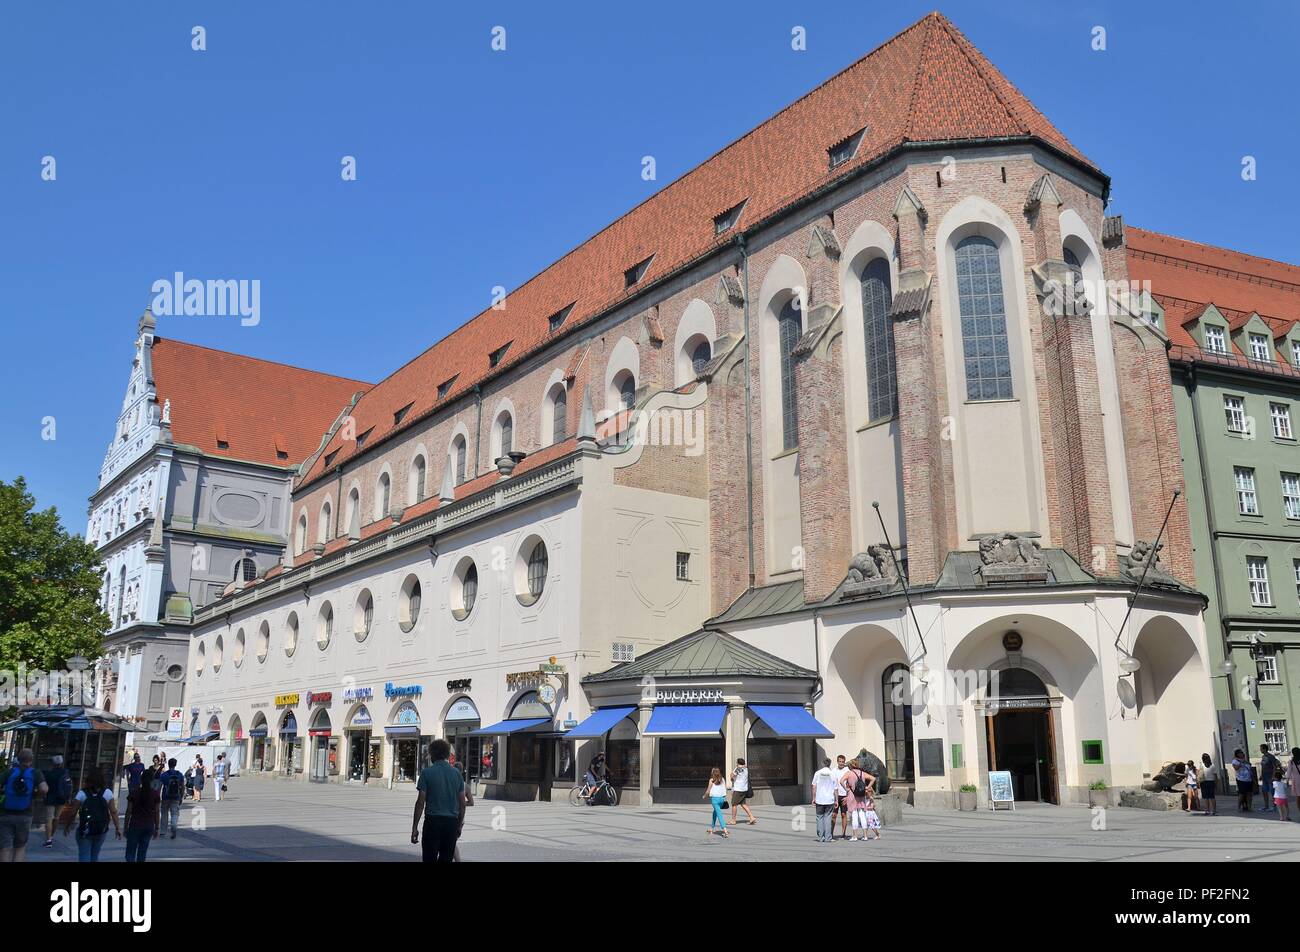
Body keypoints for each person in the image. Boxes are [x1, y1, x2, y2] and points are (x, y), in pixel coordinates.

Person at [411, 739, 466, 863]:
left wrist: (414, 827)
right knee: (446, 859)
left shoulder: (426, 773)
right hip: (451, 823)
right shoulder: (456, 774)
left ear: (432, 754)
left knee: (429, 858)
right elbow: (462, 804)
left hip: (432, 823)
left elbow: (420, 803)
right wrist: (458, 825)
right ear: (447, 754)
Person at [61, 766, 121, 862]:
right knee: (95, 855)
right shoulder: (107, 793)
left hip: (85, 829)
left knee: (84, 854)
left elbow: (73, 812)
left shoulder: (82, 794)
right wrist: (118, 828)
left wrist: (67, 826)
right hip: (101, 829)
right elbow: (113, 812)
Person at [0, 748, 48, 863]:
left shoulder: (9, 772)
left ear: (18, 759)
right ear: (31, 760)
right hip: (25, 814)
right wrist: (35, 795)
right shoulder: (35, 773)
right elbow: (44, 789)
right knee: (20, 847)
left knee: (5, 847)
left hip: (6, 813)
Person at [123, 766, 161, 862]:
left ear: (141, 779)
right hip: (148, 825)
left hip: (135, 825)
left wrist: (125, 827)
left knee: (130, 853)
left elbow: (129, 810)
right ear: (152, 780)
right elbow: (157, 812)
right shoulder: (155, 794)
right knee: (142, 853)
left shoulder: (134, 792)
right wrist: (157, 827)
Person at [839, 757, 877, 842]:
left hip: (852, 796)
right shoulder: (862, 773)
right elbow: (873, 778)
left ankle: (855, 836)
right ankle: (865, 836)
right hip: (861, 795)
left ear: (851, 766)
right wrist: (867, 787)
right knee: (862, 815)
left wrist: (846, 789)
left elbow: (841, 781)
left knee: (854, 815)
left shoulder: (849, 773)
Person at [811, 758, 838, 843]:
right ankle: (828, 837)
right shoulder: (832, 774)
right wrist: (836, 800)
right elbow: (835, 788)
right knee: (828, 818)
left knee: (819, 817)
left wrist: (813, 798)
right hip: (829, 799)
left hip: (819, 799)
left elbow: (814, 786)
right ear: (829, 764)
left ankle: (821, 837)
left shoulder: (817, 773)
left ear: (822, 764)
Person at [158, 758, 186, 838]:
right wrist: (181, 796)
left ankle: (163, 831)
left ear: (168, 764)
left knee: (164, 813)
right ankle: (173, 826)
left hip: (165, 797)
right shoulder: (179, 774)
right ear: (175, 764)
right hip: (176, 797)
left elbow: (159, 787)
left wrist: (158, 796)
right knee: (174, 813)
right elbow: (182, 787)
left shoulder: (164, 775)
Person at [729, 758, 756, 826]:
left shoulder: (738, 769)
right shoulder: (746, 769)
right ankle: (752, 817)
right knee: (743, 804)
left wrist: (731, 774)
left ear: (738, 763)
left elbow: (732, 776)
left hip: (738, 789)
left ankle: (733, 820)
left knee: (734, 804)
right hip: (744, 789)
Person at [704, 767, 729, 837]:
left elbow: (708, 790)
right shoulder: (722, 779)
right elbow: (725, 789)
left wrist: (704, 796)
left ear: (713, 773)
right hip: (721, 799)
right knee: (715, 813)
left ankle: (725, 830)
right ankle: (712, 828)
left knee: (719, 814)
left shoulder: (711, 780)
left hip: (715, 800)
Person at [832, 754, 851, 841]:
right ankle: (830, 833)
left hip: (844, 796)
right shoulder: (833, 771)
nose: (841, 763)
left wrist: (848, 796)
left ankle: (843, 834)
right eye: (840, 761)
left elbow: (850, 784)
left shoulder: (847, 770)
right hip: (835, 796)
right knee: (834, 815)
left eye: (843, 762)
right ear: (837, 762)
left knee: (843, 814)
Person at [1258, 744, 1280, 813]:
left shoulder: (1270, 756)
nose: (1260, 750)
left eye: (1261, 748)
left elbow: (1274, 767)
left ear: (1264, 749)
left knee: (1272, 792)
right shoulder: (1263, 756)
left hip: (1270, 777)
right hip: (1264, 777)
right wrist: (1261, 775)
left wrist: (1273, 776)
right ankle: (1266, 806)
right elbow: (1263, 766)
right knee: (1264, 791)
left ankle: (1274, 806)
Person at [1231, 748, 1254, 812]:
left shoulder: (1246, 761)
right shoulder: (1235, 761)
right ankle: (1238, 807)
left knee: (1249, 794)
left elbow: (1250, 768)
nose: (1243, 754)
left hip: (1249, 779)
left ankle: (1249, 807)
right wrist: (1241, 762)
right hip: (1241, 780)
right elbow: (1236, 768)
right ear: (1237, 754)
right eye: (1241, 753)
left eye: (1242, 753)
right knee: (1241, 794)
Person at [1287, 748, 1300, 819]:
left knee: (1298, 797)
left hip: (1296, 780)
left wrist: (1287, 780)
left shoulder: (1291, 762)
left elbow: (1288, 772)